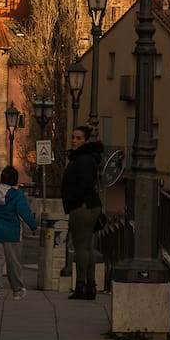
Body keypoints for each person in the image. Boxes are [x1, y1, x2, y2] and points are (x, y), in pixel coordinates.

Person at [60, 124, 103, 299]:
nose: (73, 141)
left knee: (80, 248)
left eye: (78, 138)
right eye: (73, 137)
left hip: (82, 207)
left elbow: (84, 185)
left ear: (85, 141)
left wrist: (72, 199)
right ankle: (90, 286)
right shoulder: (85, 158)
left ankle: (81, 286)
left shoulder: (83, 159)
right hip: (88, 206)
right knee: (87, 247)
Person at [0, 164, 37, 299]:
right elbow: (25, 213)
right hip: (13, 233)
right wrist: (33, 226)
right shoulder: (17, 195)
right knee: (13, 262)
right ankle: (17, 290)